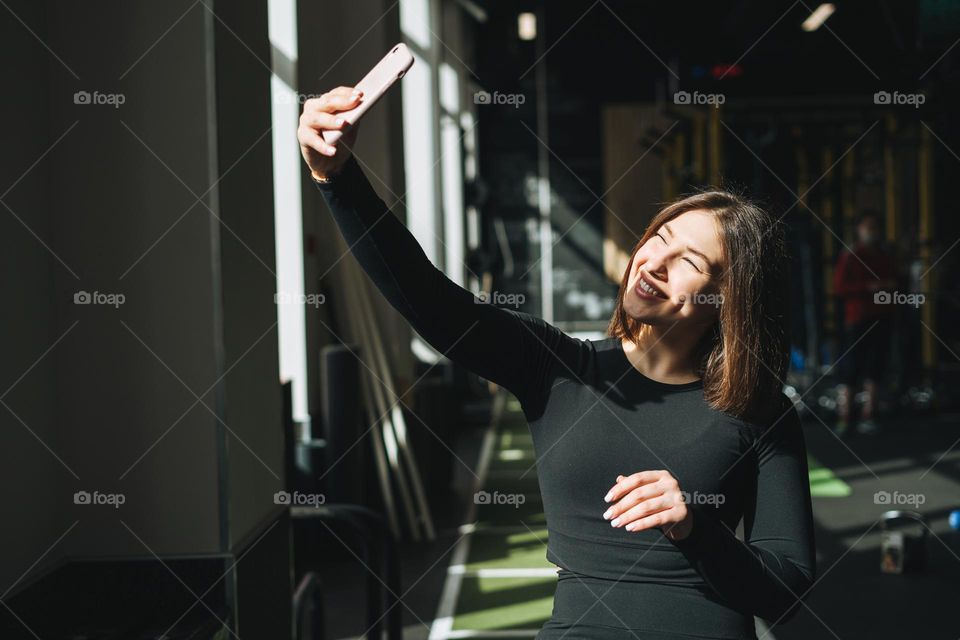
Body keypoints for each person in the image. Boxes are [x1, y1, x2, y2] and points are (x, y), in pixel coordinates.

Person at [298, 86, 816, 639]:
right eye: (658, 238)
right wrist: (338, 178)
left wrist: (694, 526)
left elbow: (784, 591)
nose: (654, 261)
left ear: (727, 298)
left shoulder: (759, 411)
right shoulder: (558, 368)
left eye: (687, 260)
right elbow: (429, 300)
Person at [832, 211, 896, 437]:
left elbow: (894, 283)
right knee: (852, 368)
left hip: (882, 317)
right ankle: (845, 416)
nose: (871, 231)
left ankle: (870, 415)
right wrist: (868, 287)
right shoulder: (850, 255)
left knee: (876, 368)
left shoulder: (884, 255)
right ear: (858, 229)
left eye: (874, 227)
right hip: (858, 319)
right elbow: (839, 288)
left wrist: (887, 289)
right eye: (867, 227)